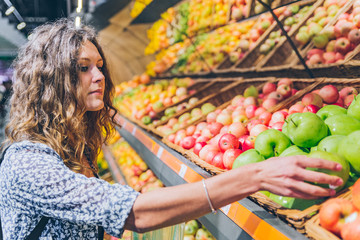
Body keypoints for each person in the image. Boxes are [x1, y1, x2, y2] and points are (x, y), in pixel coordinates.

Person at [0, 19, 343, 240]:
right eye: (83, 68)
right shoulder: (28, 165)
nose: (100, 76)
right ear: (51, 81)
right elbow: (135, 212)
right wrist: (254, 176)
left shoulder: (74, 148)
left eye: (100, 66)